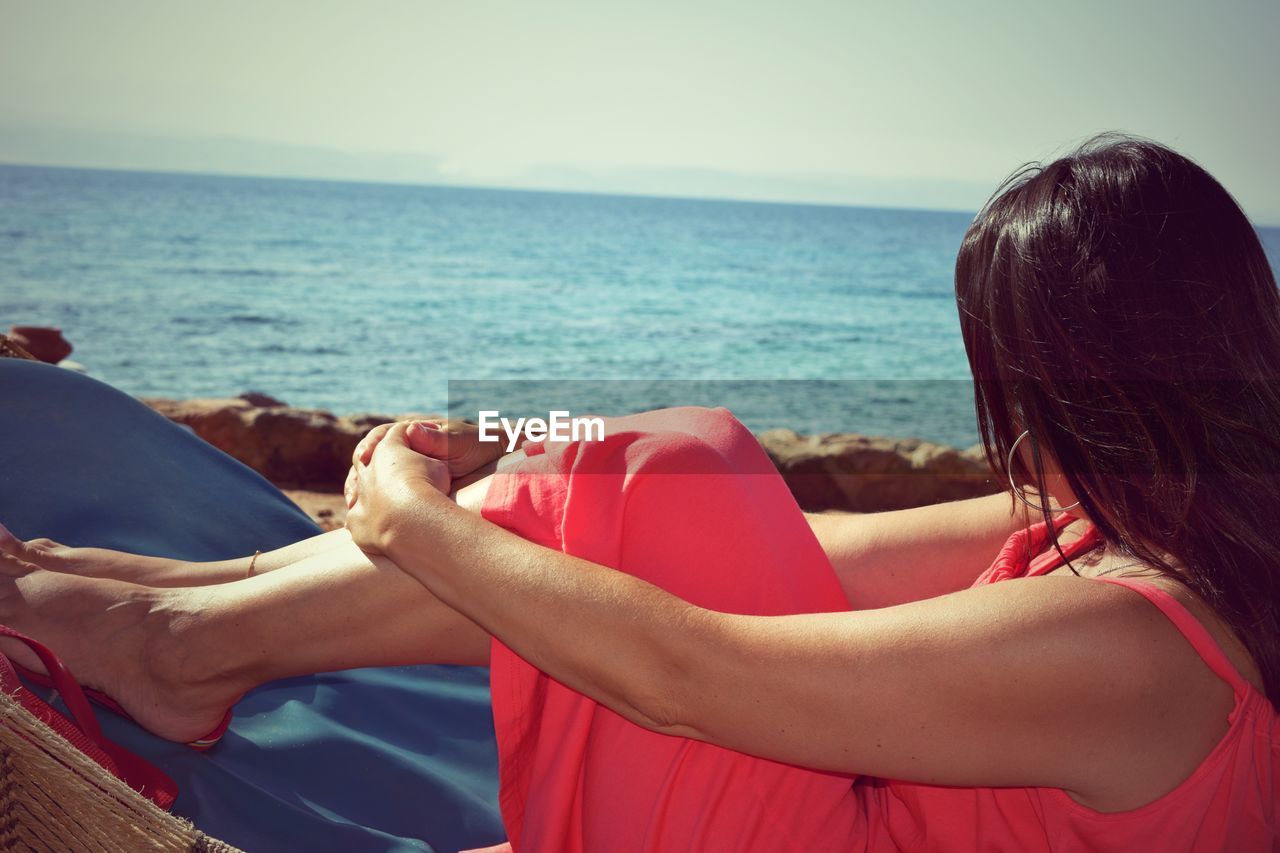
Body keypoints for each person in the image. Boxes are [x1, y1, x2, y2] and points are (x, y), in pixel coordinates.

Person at [1, 135, 1276, 850]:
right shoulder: (1133, 531)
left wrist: (412, 518)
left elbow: (685, 674)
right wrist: (518, 470)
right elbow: (798, 549)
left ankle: (176, 638)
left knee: (665, 473)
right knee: (674, 475)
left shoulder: (1132, 646)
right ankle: (189, 607)